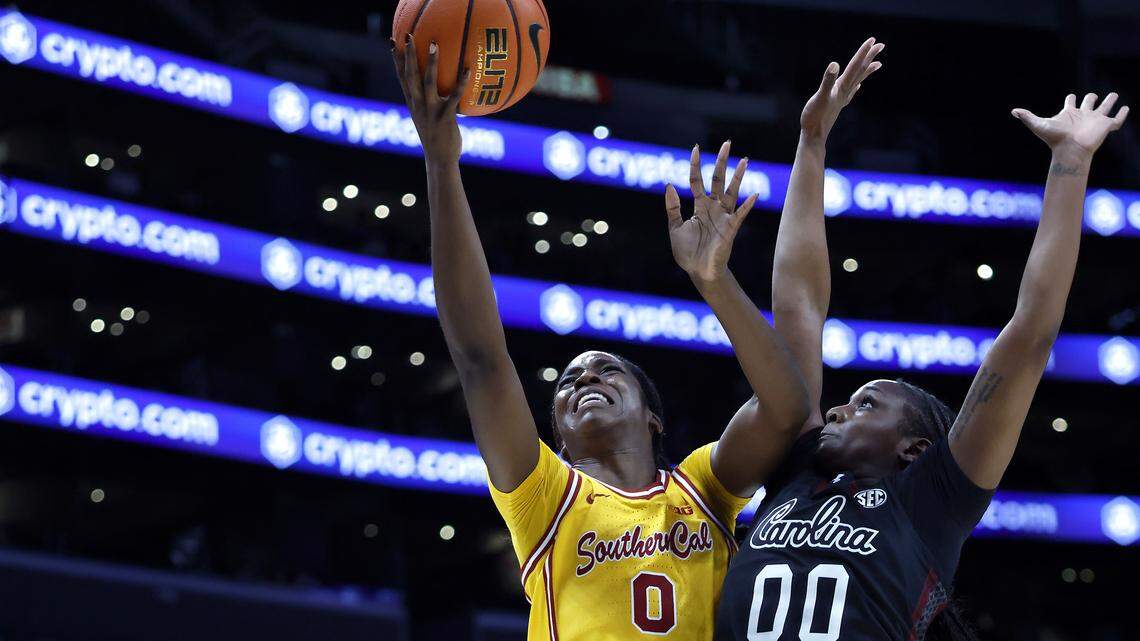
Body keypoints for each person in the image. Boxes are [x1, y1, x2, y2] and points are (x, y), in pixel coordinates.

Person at [393, 35, 810, 640]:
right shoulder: (545, 495)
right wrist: (441, 162)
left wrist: (715, 283)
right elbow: (481, 358)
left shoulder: (703, 489)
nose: (586, 378)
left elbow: (786, 408)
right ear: (557, 433)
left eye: (608, 371)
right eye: (568, 381)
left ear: (653, 419)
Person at [714, 37, 1129, 641]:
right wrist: (812, 142)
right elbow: (799, 306)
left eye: (865, 405)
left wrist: (1069, 162)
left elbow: (1032, 330)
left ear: (912, 448)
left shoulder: (935, 497)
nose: (835, 407)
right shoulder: (798, 469)